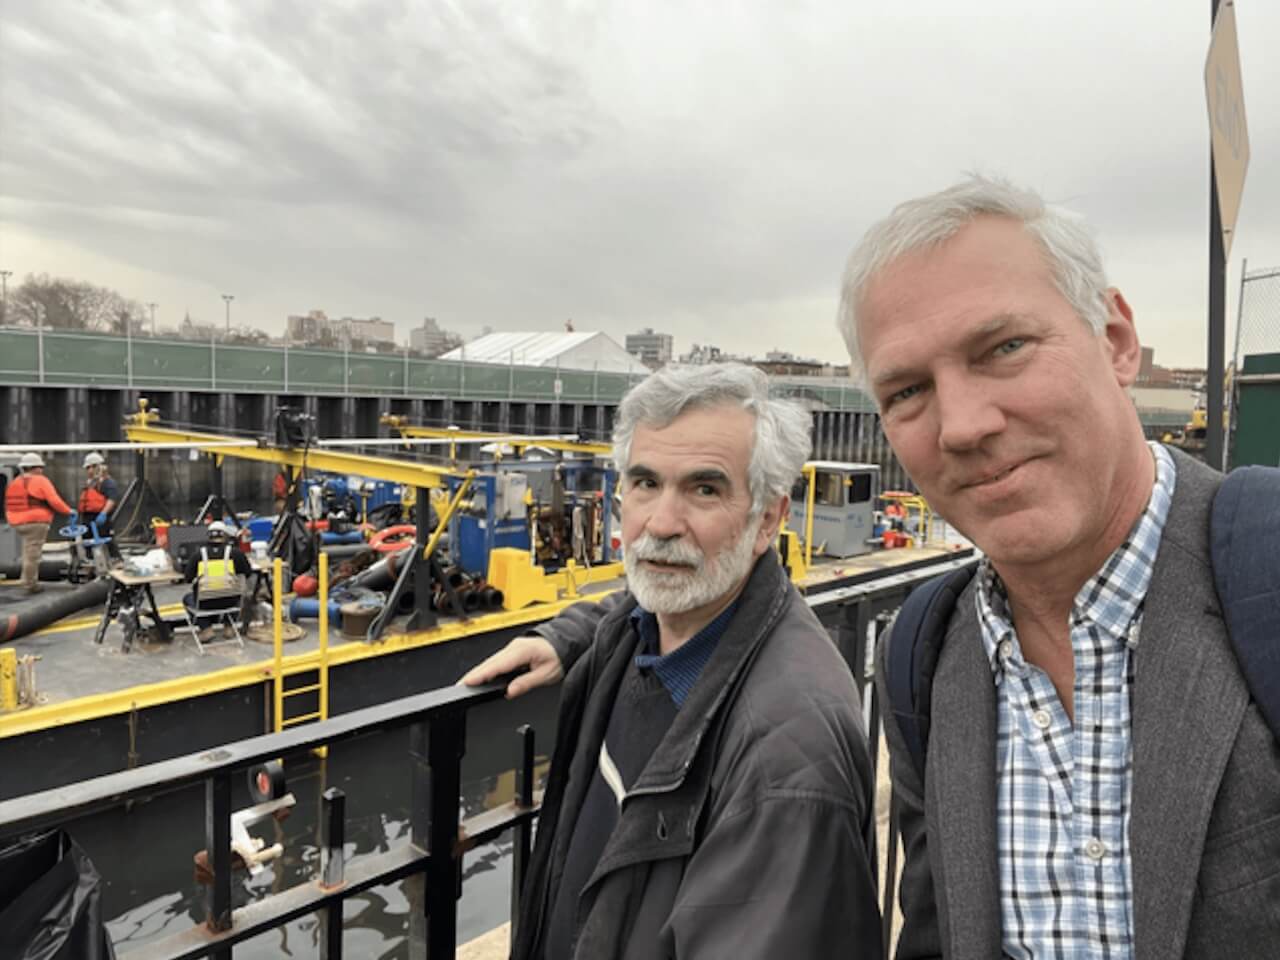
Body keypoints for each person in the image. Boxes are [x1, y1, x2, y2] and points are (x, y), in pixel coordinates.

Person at [835, 176, 1280, 957]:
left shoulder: (1263, 574)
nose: (964, 426)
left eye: (1004, 348)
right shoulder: (922, 656)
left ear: (1115, 339)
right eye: (909, 391)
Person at [462, 364, 881, 959]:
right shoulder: (642, 636)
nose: (661, 524)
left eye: (704, 489)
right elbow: (640, 597)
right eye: (646, 483)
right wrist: (566, 637)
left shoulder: (785, 764)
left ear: (768, 519)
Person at [4, 452, 76, 594]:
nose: (42, 470)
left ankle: (25, 578)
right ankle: (30, 584)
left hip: (17, 522)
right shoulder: (40, 480)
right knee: (33, 554)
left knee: (27, 551)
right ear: (33, 468)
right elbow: (54, 500)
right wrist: (69, 511)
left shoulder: (15, 482)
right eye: (40, 467)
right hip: (36, 522)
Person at [182, 521, 252, 628]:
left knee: (187, 598)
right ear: (225, 535)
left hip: (204, 603)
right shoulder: (236, 553)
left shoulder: (198, 555)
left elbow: (188, 578)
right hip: (231, 601)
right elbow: (247, 572)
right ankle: (229, 626)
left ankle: (206, 627)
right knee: (235, 591)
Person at [78, 452, 119, 538]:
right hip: (87, 519)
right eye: (87, 468)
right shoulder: (90, 483)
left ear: (97, 466)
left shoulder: (107, 482)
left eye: (91, 467)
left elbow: (112, 499)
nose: (89, 470)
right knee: (86, 544)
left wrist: (103, 513)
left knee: (107, 544)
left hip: (100, 518)